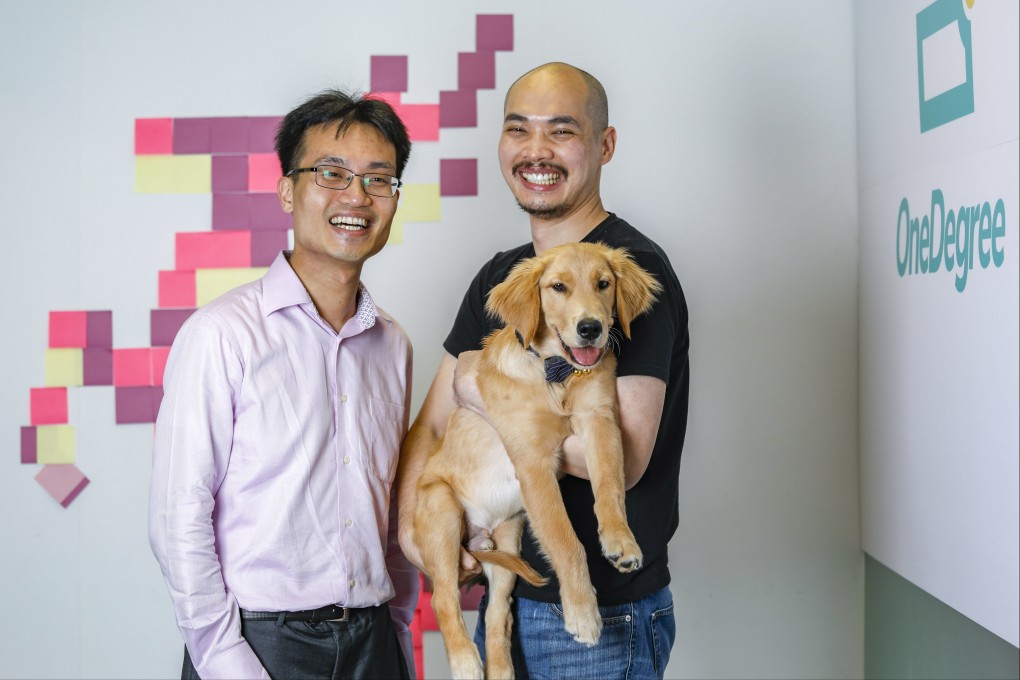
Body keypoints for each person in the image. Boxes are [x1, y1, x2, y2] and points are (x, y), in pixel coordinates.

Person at [397, 62, 690, 679]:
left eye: (561, 131)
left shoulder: (632, 271)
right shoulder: (501, 276)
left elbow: (620, 457)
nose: (536, 151)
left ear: (604, 145)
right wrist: (413, 536)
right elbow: (429, 428)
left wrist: (485, 392)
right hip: (505, 600)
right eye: (518, 130)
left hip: (602, 617)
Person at [149, 89, 418, 680]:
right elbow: (178, 514)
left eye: (379, 179)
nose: (356, 196)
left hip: (375, 641)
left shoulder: (394, 346)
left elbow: (391, 510)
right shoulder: (222, 333)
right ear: (288, 190)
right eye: (331, 173)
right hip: (260, 643)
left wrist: (396, 637)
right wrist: (223, 659)